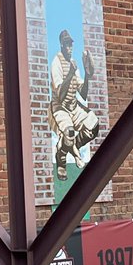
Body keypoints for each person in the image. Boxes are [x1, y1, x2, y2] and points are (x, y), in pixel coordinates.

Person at [49, 28, 99, 181]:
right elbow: (60, 94)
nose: (69, 48)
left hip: (73, 106)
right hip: (59, 107)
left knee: (93, 126)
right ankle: (61, 160)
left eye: (71, 44)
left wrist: (86, 73)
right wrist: (71, 73)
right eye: (66, 44)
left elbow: (83, 94)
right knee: (69, 132)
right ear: (61, 46)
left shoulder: (72, 63)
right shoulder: (56, 63)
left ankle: (63, 149)